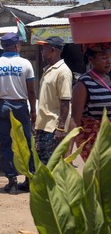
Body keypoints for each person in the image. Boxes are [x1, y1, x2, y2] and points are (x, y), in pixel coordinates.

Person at [0, 33, 36, 194]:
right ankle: (29, 179)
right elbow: (31, 90)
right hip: (20, 107)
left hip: (2, 107)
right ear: (17, 46)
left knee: (6, 145)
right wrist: (33, 110)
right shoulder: (26, 63)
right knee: (26, 142)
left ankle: (12, 181)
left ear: (3, 46)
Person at [69, 43, 111, 161]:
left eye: (110, 57)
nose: (109, 61)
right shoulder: (83, 84)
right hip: (95, 144)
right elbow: (75, 120)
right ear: (91, 60)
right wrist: (68, 152)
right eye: (104, 58)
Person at [34, 36, 72, 165]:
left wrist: (61, 128)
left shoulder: (63, 72)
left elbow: (65, 101)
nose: (41, 51)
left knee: (51, 164)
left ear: (53, 50)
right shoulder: (49, 69)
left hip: (53, 127)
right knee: (42, 162)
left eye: (44, 48)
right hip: (43, 125)